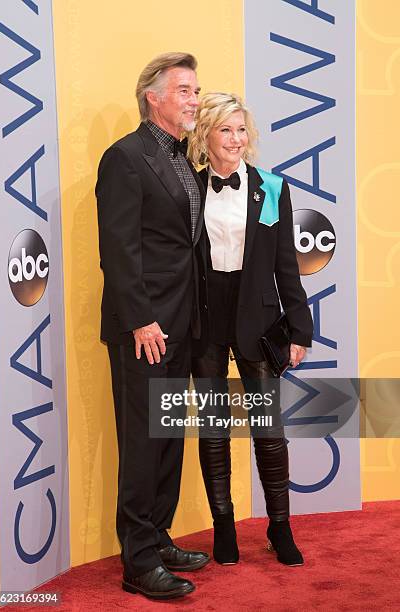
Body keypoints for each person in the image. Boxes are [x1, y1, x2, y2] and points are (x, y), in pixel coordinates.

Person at [95, 52, 209, 601]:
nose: (193, 99)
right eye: (184, 90)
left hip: (181, 323)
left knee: (167, 437)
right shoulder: (124, 158)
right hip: (144, 326)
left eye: (195, 90)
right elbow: (118, 250)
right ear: (153, 97)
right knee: (142, 442)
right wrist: (141, 318)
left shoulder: (185, 159)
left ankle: (158, 536)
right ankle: (138, 560)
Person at [188, 93, 313, 567]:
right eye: (226, 130)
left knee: (268, 428)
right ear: (206, 135)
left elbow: (287, 264)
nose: (236, 140)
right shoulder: (190, 188)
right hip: (204, 317)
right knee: (214, 426)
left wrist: (299, 329)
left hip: (257, 316)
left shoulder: (274, 188)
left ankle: (279, 527)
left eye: (242, 130)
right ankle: (223, 525)